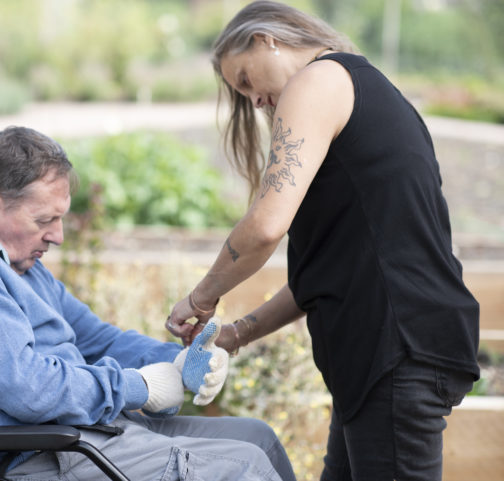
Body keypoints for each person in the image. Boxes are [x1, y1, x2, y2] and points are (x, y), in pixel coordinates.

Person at [165, 2, 480, 480]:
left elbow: (266, 226)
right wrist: (233, 336)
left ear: (266, 39)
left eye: (246, 80)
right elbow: (323, 274)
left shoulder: (320, 81)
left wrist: (201, 297)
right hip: (382, 358)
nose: (253, 101)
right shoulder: (359, 89)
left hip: (396, 351)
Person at [0, 125, 296, 481]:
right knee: (243, 467)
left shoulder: (11, 263)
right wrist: (139, 387)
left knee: (258, 438)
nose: (58, 236)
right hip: (18, 459)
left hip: (71, 437)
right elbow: (28, 389)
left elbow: (96, 340)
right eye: (44, 220)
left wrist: (179, 360)